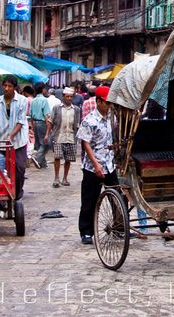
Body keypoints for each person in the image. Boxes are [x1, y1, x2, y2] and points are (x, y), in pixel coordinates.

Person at [77, 86, 116, 245]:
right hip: (93, 167)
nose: (108, 105)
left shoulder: (112, 118)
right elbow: (85, 144)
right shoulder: (89, 120)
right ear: (98, 101)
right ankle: (86, 232)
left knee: (117, 197)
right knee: (89, 200)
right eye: (106, 102)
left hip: (110, 164)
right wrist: (96, 165)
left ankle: (120, 228)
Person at [49, 87, 80, 188]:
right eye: (67, 97)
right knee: (57, 157)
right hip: (59, 136)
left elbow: (77, 124)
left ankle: (65, 178)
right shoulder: (56, 108)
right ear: (63, 97)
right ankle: (56, 178)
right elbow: (51, 121)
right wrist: (47, 134)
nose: (69, 99)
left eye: (71, 97)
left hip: (71, 136)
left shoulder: (76, 109)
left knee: (68, 159)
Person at [30, 82, 52, 168]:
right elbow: (46, 115)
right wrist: (48, 129)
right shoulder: (44, 100)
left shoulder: (33, 100)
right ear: (43, 89)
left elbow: (31, 115)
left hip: (35, 123)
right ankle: (37, 158)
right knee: (46, 143)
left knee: (39, 143)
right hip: (42, 123)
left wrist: (32, 125)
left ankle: (43, 163)